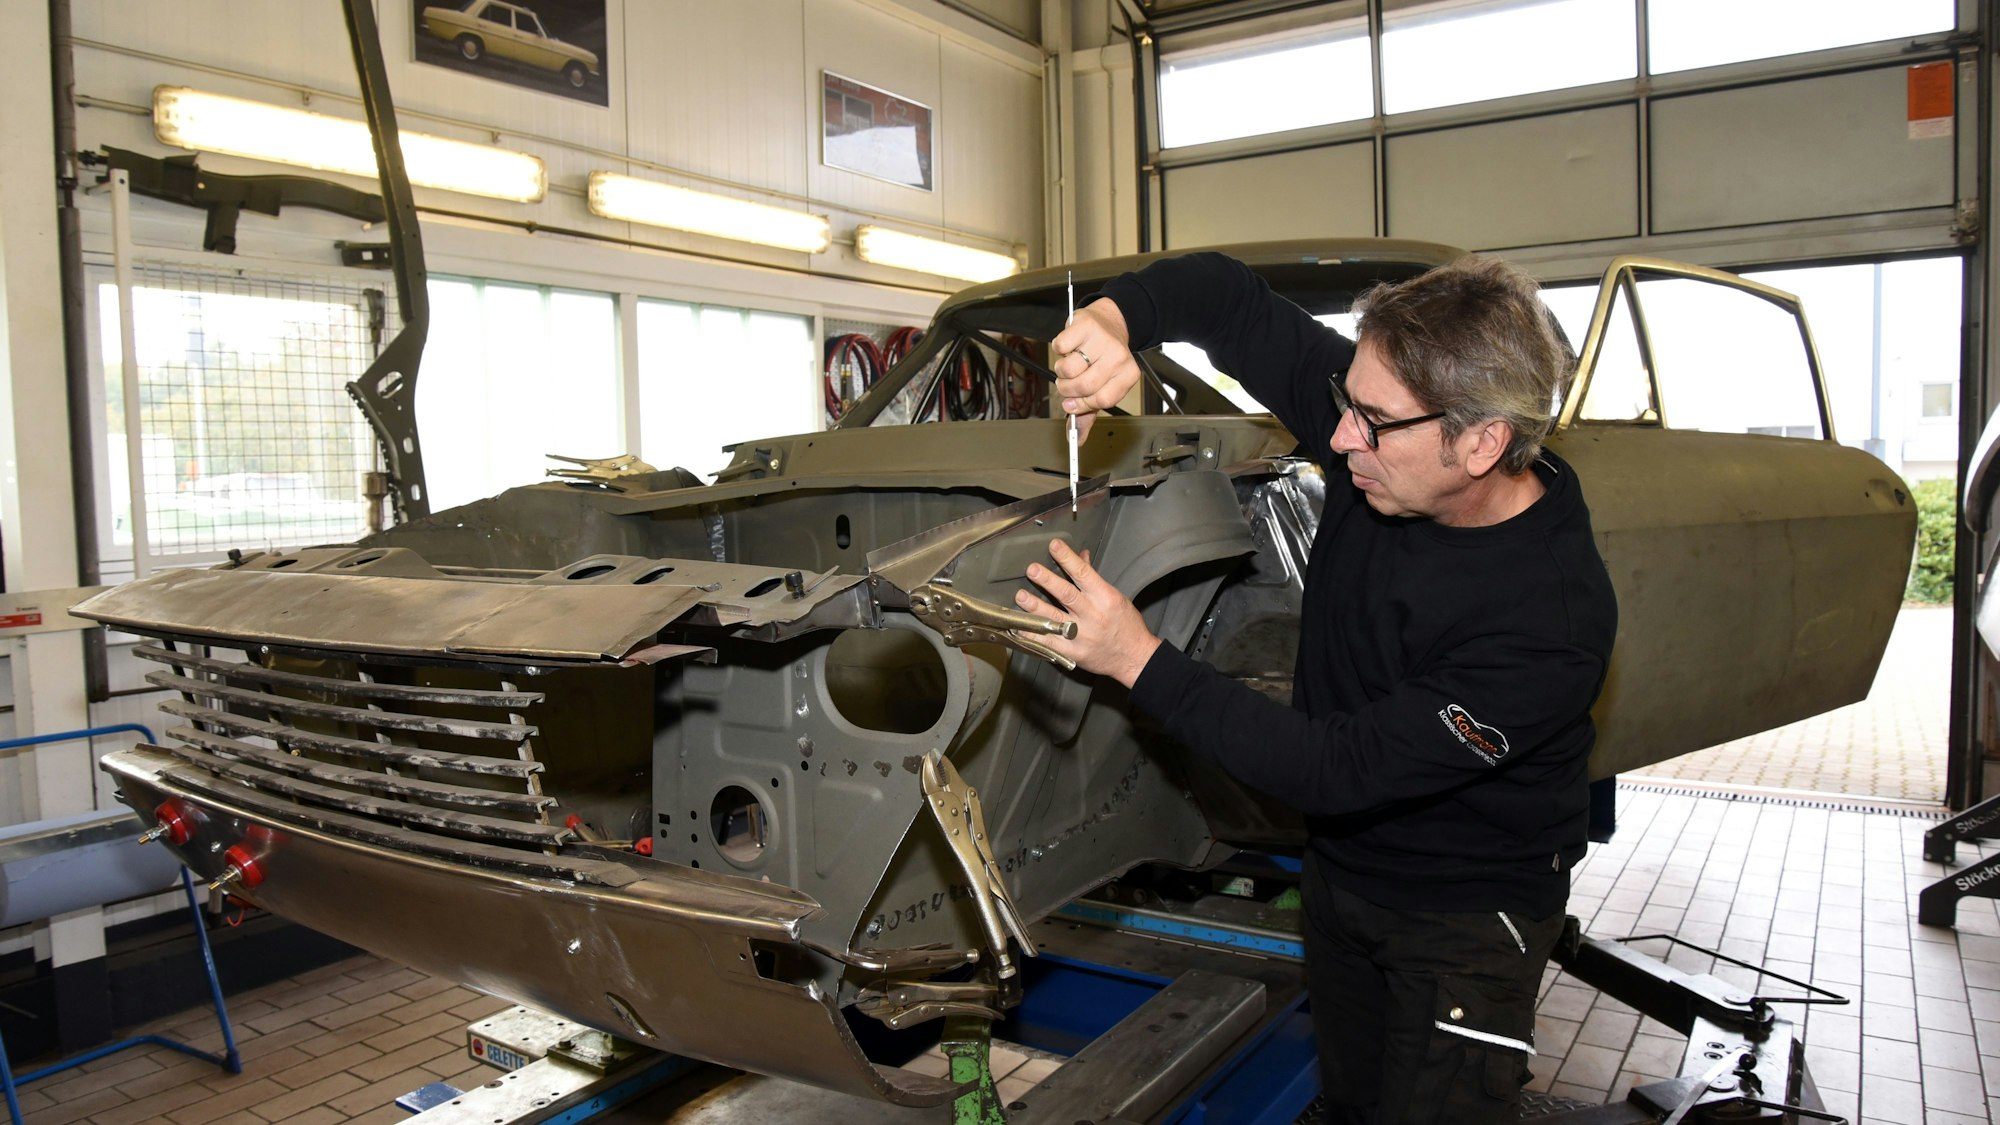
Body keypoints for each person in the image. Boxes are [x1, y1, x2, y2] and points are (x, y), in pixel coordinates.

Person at [1014, 252, 1619, 1124]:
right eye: (1346, 403)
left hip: (1464, 918)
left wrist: (1136, 657)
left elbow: (1339, 766)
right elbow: (1229, 298)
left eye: (1370, 423)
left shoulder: (1548, 619)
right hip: (1344, 875)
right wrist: (1117, 321)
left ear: (1482, 442)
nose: (1336, 439)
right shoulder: (1385, 421)